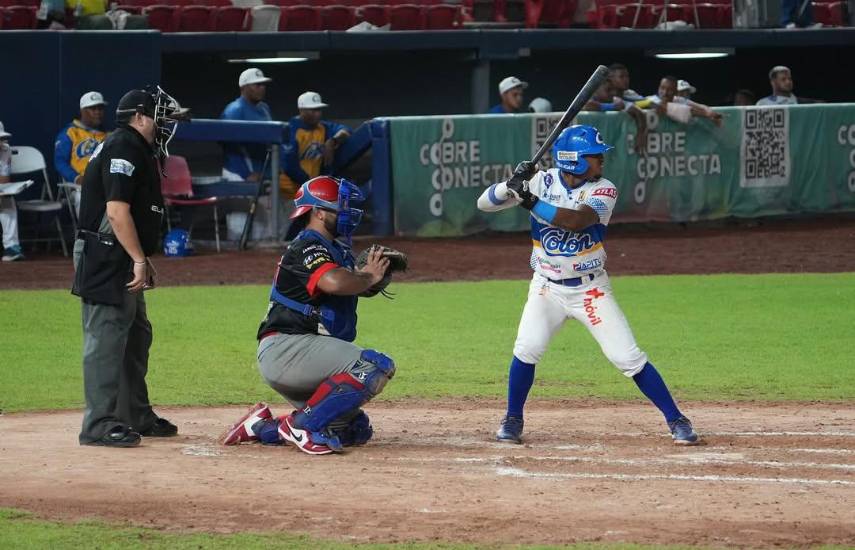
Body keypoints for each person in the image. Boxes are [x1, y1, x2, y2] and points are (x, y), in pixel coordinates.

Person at [476, 124, 700, 446]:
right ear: (575, 160)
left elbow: (576, 221)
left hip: (590, 290)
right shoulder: (541, 181)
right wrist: (511, 184)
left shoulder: (604, 189)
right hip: (547, 288)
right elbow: (484, 203)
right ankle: (512, 419)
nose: (602, 161)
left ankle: (677, 420)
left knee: (627, 357)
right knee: (527, 348)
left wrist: (529, 201)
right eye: (596, 156)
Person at [220, 175, 396, 455]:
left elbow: (348, 286)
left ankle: (261, 426)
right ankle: (300, 428)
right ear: (318, 212)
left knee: (353, 429)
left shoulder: (334, 250)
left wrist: (372, 278)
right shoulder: (307, 246)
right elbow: (334, 282)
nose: (347, 213)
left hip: (302, 352)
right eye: (340, 207)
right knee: (374, 366)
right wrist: (367, 277)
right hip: (286, 349)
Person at [71, 86, 185, 447]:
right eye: (160, 117)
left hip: (119, 251)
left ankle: (134, 413)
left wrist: (141, 257)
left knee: (136, 335)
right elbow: (117, 211)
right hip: (105, 254)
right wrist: (137, 258)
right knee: (106, 339)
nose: (166, 125)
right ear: (138, 117)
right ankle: (98, 424)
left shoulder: (136, 147)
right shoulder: (123, 145)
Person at [282, 91, 351, 191]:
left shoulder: (323, 127)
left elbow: (346, 130)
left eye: (319, 110)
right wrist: (311, 184)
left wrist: (333, 141)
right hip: (288, 192)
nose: (317, 114)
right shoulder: (290, 130)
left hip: (310, 190)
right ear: (301, 110)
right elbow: (289, 166)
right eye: (313, 110)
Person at [55, 91, 109, 215]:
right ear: (82, 111)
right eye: (93, 109)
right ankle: (87, 228)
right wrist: (77, 178)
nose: (97, 112)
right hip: (79, 186)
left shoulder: (108, 135)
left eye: (100, 108)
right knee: (84, 197)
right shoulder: (70, 132)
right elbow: (60, 162)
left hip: (105, 183)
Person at [220, 68, 276, 182]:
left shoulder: (264, 108)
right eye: (257, 85)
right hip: (238, 174)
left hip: (262, 172)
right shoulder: (235, 110)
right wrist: (246, 174)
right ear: (243, 87)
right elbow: (229, 146)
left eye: (263, 84)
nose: (262, 88)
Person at [648, 76, 723, 126]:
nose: (664, 93)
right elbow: (687, 110)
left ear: (675, 92)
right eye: (662, 88)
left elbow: (700, 106)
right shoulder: (651, 100)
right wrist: (707, 114)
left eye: (669, 90)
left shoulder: (678, 99)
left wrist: (711, 113)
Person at [0, 121, 24, 262]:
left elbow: (4, 180)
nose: (1, 142)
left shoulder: (5, 149)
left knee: (7, 201)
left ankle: (11, 247)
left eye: (1, 139)